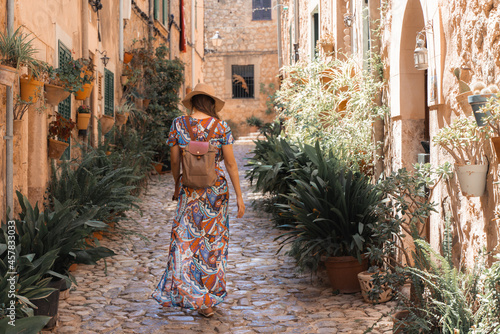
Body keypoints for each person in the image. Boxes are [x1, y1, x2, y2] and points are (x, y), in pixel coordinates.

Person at [152, 83, 245, 318]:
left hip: (190, 192)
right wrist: (239, 197)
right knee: (213, 244)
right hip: (216, 193)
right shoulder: (221, 126)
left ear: (192, 102)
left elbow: (174, 161)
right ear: (211, 103)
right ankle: (207, 301)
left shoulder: (178, 125)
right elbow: (231, 164)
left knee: (185, 241)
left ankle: (190, 293)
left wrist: (179, 181)